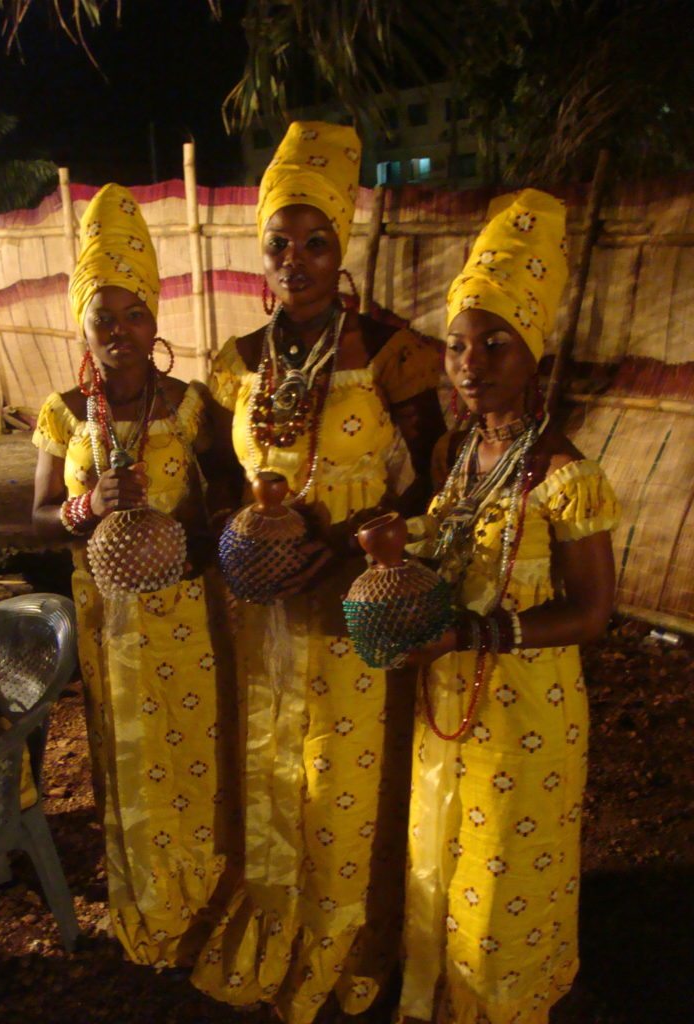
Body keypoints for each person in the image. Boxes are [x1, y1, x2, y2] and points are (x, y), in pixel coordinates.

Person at [192, 121, 445, 1023]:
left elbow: (440, 487)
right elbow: (213, 482)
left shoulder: (391, 352)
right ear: (260, 254)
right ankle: (273, 919)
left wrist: (338, 547)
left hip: (347, 605)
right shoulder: (234, 362)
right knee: (269, 765)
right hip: (260, 608)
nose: (295, 260)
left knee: (343, 772)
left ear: (341, 248)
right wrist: (250, 535)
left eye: (316, 243)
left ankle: (346, 938)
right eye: (279, 245)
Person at [399, 189, 620, 1024]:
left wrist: (475, 632)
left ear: (535, 350)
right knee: (442, 852)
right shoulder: (460, 452)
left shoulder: (567, 476)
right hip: (449, 690)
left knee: (500, 879)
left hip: (528, 708)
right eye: (457, 344)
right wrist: (398, 544)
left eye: (496, 343)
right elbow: (453, 544)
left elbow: (593, 615)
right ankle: (441, 995)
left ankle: (502, 1006)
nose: (470, 363)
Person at [31, 184, 238, 968]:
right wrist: (87, 507)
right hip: (109, 615)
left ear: (156, 319)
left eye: (135, 315)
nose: (120, 332)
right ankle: (149, 900)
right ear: (81, 324)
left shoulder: (188, 404)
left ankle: (209, 896)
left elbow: (225, 493)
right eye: (103, 318)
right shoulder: (61, 411)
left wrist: (190, 533)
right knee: (130, 753)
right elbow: (39, 509)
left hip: (187, 609)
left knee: (195, 743)